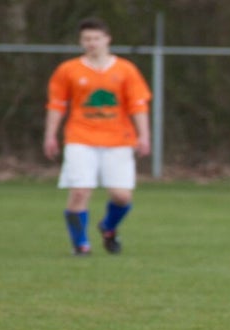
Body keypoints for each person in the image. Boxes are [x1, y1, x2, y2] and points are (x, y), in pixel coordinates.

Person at [44, 17, 151, 256]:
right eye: (86, 39)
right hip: (80, 137)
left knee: (122, 196)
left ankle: (108, 227)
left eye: (96, 38)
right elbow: (57, 104)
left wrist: (144, 135)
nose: (91, 43)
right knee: (79, 192)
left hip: (119, 139)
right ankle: (81, 245)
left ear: (107, 39)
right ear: (81, 41)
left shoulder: (125, 69)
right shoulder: (68, 69)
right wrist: (50, 135)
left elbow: (138, 105)